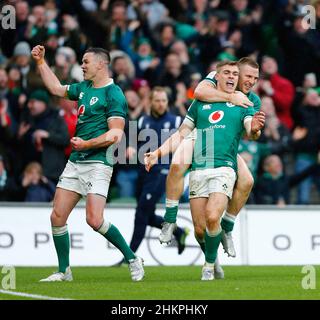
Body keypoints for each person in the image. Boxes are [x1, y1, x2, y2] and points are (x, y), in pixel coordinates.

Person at [31, 45, 144, 282]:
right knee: (57, 216)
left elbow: (116, 134)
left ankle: (132, 258)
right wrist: (41, 62)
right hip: (76, 161)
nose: (82, 66)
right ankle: (64, 271)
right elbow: (55, 88)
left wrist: (87, 143)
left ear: (102, 64)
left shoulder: (114, 93)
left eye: (85, 61)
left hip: (98, 162)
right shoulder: (83, 88)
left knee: (94, 220)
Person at [147, 61, 264, 280]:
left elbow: (251, 130)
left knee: (246, 182)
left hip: (224, 153)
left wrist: (256, 130)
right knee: (177, 164)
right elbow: (198, 92)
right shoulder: (210, 88)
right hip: (200, 141)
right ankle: (171, 220)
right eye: (247, 76)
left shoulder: (250, 100)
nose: (250, 81)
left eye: (255, 78)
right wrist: (157, 152)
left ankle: (226, 228)